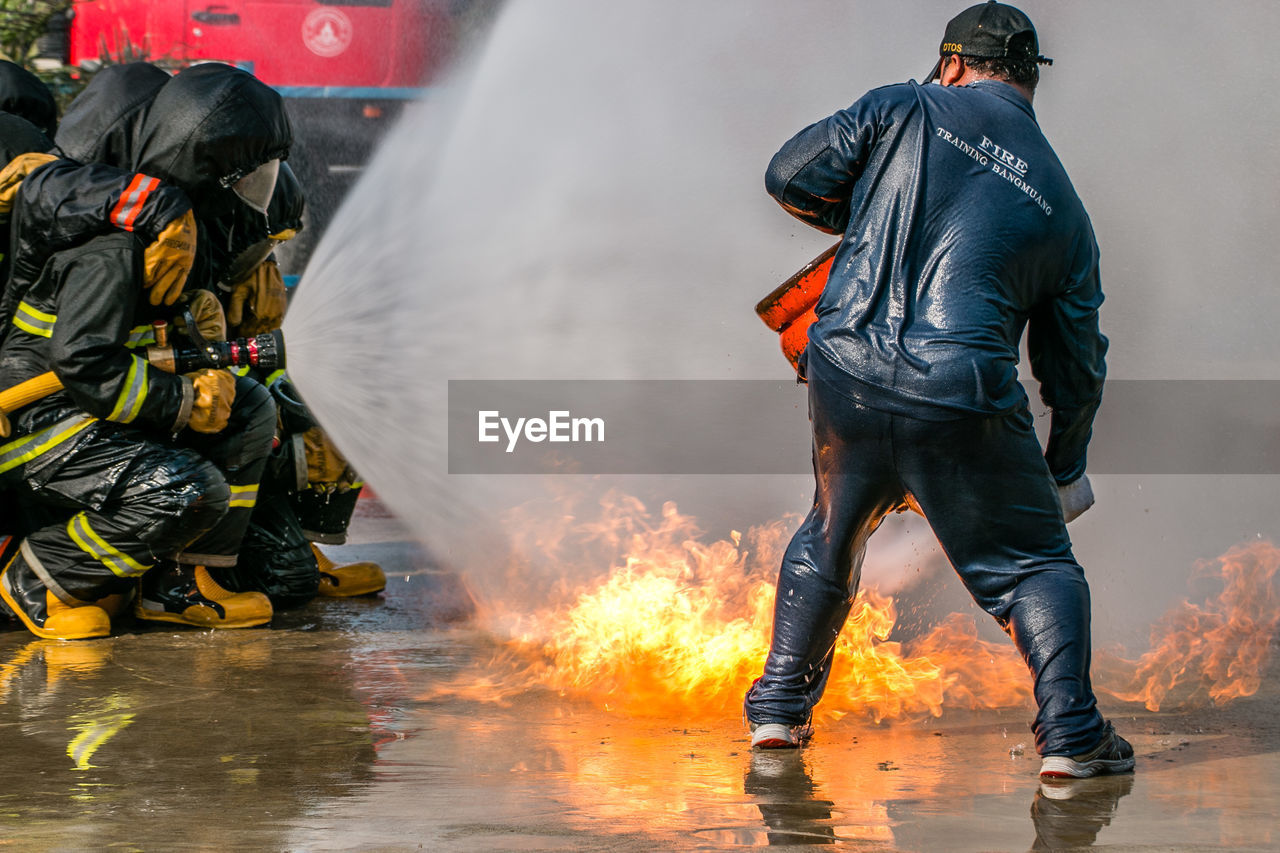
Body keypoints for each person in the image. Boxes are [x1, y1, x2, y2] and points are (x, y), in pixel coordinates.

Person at [743, 1, 1133, 781]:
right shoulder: (1064, 207)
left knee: (831, 528)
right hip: (961, 394)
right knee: (1035, 568)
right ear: (1028, 81)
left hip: (843, 369)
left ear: (951, 63)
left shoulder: (901, 104)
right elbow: (1075, 368)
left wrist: (860, 219)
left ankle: (779, 713)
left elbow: (787, 174)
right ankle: (1072, 738)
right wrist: (1064, 466)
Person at [0, 63, 290, 639]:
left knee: (251, 408)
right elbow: (84, 363)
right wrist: (182, 401)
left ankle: (178, 585)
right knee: (186, 491)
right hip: (38, 419)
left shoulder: (168, 232)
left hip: (81, 405)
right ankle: (38, 575)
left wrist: (206, 354)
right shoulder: (115, 246)